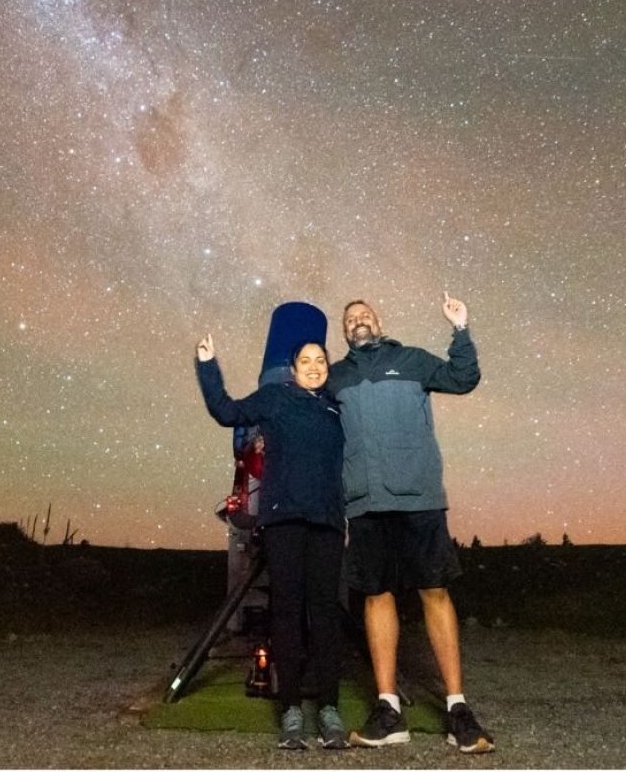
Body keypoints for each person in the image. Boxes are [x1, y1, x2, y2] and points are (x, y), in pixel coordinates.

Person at [327, 293, 495, 754]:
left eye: (365, 315)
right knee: (377, 596)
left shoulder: (412, 360)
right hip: (364, 503)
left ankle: (458, 708)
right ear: (344, 333)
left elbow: (463, 378)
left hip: (418, 497)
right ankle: (388, 710)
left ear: (379, 322)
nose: (358, 321)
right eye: (350, 319)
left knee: (434, 591)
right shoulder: (336, 377)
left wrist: (460, 330)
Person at [195, 334, 349, 750]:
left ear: (327, 368)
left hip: (327, 522)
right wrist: (208, 365)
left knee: (326, 615)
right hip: (284, 520)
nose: (314, 366)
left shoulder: (337, 407)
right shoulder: (275, 398)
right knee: (286, 612)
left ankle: (330, 708)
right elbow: (227, 411)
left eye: (321, 360)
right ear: (293, 368)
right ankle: (291, 709)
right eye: (305, 360)